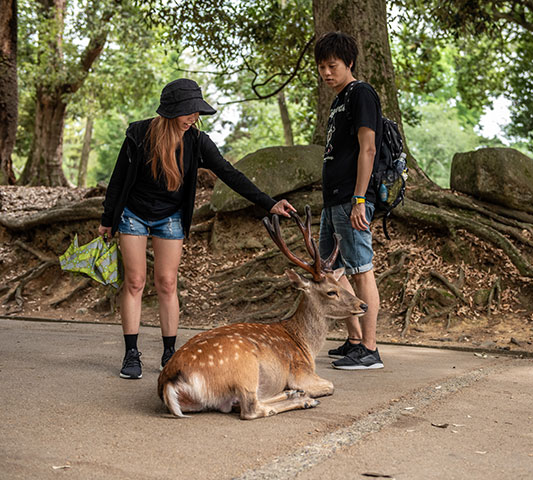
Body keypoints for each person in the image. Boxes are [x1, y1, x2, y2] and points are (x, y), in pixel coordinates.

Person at [99, 78, 296, 379]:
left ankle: (169, 353)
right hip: (133, 215)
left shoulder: (196, 141)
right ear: (171, 110)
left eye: (197, 112)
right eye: (189, 111)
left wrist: (269, 204)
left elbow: (229, 174)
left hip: (170, 218)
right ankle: (131, 354)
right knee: (135, 282)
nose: (194, 118)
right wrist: (107, 219)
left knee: (166, 282)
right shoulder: (139, 134)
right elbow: (118, 178)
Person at [314, 32, 384, 370]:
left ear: (349, 63)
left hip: (352, 199)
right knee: (330, 270)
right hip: (334, 201)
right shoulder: (338, 99)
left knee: (361, 271)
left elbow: (368, 148)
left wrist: (359, 199)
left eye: (333, 65)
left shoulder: (361, 94)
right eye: (322, 67)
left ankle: (370, 349)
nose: (326, 73)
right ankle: (354, 339)